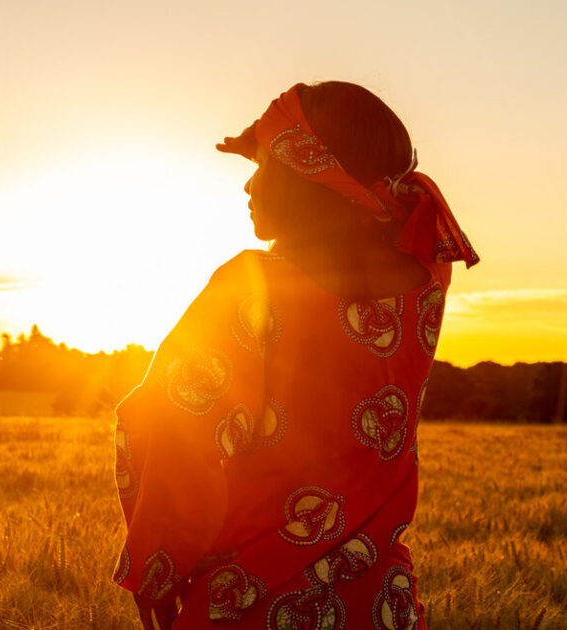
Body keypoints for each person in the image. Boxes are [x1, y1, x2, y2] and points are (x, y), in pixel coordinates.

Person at [111, 81, 478, 630]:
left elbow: (172, 433)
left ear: (311, 175)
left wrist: (156, 573)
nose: (249, 185)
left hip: (251, 602)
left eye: (266, 167)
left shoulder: (251, 288)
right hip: (385, 605)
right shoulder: (427, 279)